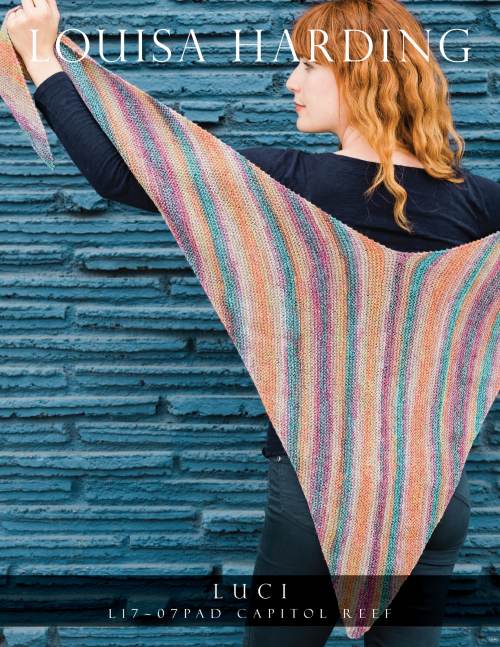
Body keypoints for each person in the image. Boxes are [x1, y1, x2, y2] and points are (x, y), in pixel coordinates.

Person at [5, 0, 499, 644]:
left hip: (314, 492)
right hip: (432, 496)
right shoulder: (480, 204)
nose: (291, 81)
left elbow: (120, 174)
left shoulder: (288, 183)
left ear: (358, 74)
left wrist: (41, 58)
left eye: (308, 65)